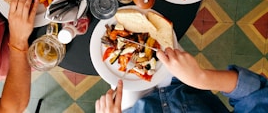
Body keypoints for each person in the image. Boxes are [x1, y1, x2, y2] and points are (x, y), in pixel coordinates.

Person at [95, 48, 268, 113]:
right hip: (186, 87)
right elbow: (256, 93)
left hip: (135, 106)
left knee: (114, 63)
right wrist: (201, 78)